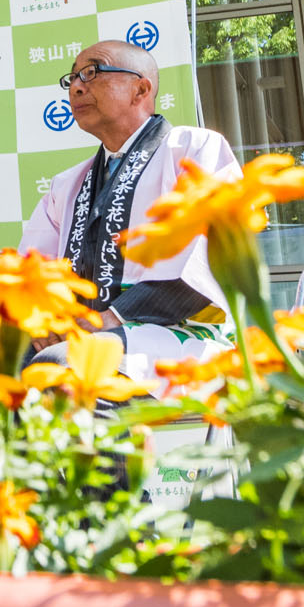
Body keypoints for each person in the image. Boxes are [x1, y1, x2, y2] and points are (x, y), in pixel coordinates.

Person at [20, 40, 240, 376]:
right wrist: (44, 321)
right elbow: (33, 270)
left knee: (63, 365)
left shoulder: (193, 149)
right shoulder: (68, 184)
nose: (77, 87)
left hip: (180, 332)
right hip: (82, 333)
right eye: (73, 79)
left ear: (140, 88)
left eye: (92, 73)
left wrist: (112, 318)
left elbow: (210, 255)